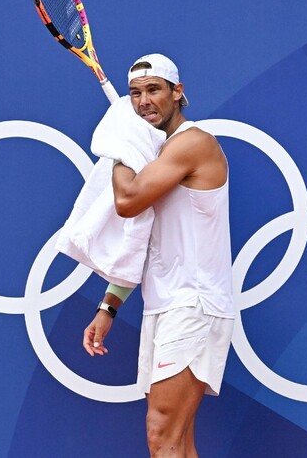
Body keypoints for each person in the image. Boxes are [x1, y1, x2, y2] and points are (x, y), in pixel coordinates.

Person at [82, 53, 235, 457]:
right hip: (167, 305)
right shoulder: (158, 156)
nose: (143, 101)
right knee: (177, 442)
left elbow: (128, 201)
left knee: (161, 435)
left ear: (178, 93)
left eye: (153, 90)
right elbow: (144, 238)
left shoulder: (193, 144)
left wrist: (118, 146)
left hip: (192, 304)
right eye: (135, 94)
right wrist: (109, 306)